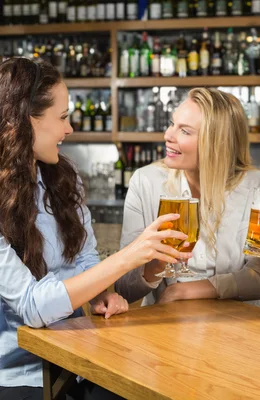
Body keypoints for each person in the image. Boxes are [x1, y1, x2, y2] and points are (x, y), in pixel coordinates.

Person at [0, 58, 191, 399]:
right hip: (20, 374)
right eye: (62, 117)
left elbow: (85, 261)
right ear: (25, 122)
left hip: (76, 355)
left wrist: (103, 293)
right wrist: (128, 258)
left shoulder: (61, 179)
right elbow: (32, 306)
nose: (69, 128)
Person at [114, 88, 260, 306]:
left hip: (237, 328)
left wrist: (189, 290)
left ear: (216, 143)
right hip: (165, 328)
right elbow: (124, 287)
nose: (168, 136)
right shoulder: (145, 182)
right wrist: (154, 265)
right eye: (172, 124)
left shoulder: (258, 187)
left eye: (185, 131)